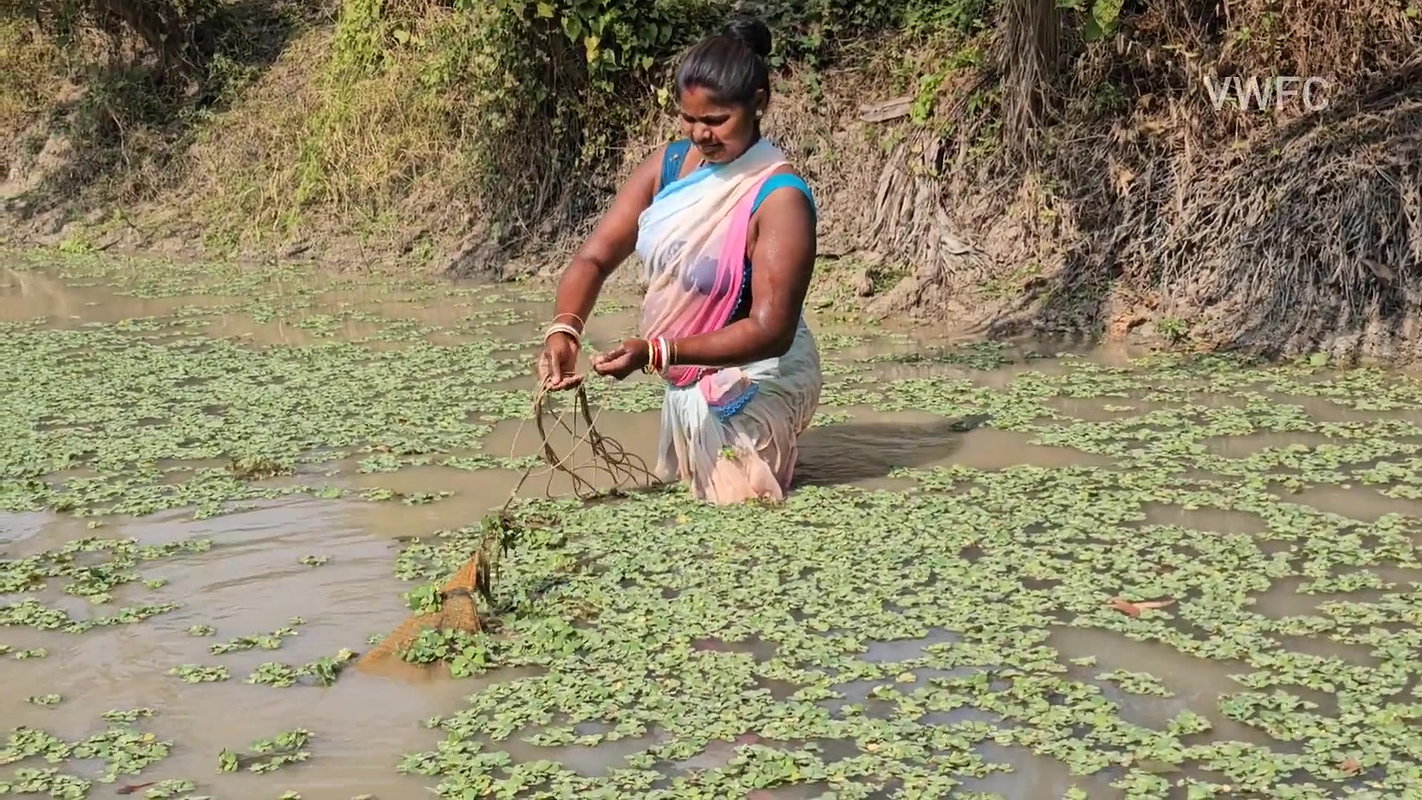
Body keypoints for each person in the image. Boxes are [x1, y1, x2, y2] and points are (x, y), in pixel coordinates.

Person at [535, 16, 823, 506]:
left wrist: (656, 353)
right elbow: (594, 257)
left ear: (758, 103)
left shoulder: (778, 197)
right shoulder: (668, 167)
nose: (700, 135)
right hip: (686, 370)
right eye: (689, 120)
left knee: (745, 511)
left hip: (760, 374)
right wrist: (565, 330)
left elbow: (772, 329)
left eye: (716, 120)